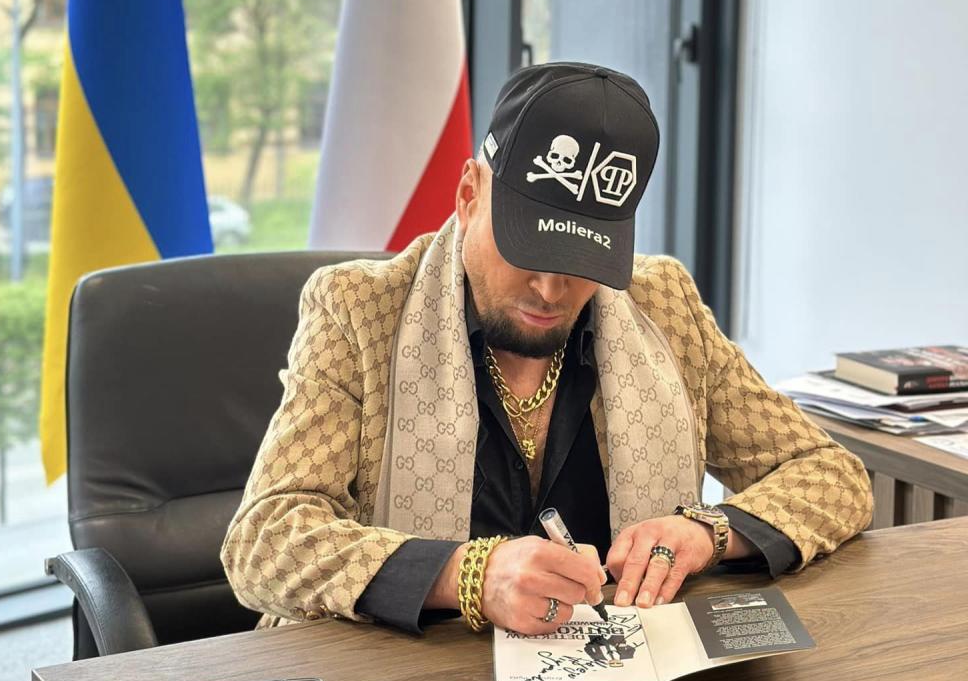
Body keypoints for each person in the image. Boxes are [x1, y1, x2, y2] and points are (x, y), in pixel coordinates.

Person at [222, 62, 873, 636]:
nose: (550, 289)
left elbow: (830, 473)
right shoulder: (361, 310)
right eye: (526, 249)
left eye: (579, 261)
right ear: (469, 195)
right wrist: (468, 574)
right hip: (394, 680)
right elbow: (264, 539)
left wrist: (706, 532)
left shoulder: (663, 305)